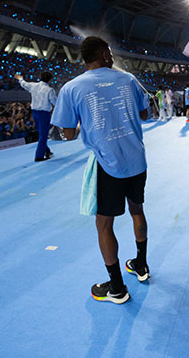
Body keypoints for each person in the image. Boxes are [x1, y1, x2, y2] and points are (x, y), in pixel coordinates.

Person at [51, 36, 150, 305]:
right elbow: (144, 114)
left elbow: (68, 134)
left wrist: (91, 123)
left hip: (109, 164)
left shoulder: (71, 88)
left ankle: (116, 288)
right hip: (136, 159)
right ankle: (141, 264)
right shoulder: (129, 79)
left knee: (104, 224)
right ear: (105, 54)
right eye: (110, 53)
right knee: (137, 210)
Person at [15, 71, 56, 161]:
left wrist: (20, 78)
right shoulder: (50, 90)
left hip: (35, 113)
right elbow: (54, 102)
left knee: (41, 134)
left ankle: (47, 150)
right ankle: (39, 156)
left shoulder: (33, 85)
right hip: (44, 114)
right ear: (50, 80)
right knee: (44, 135)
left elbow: (24, 84)